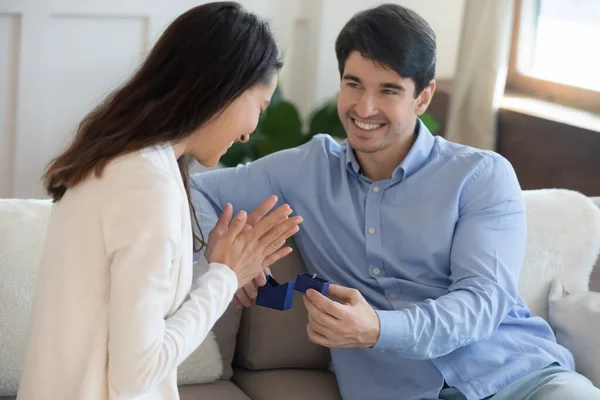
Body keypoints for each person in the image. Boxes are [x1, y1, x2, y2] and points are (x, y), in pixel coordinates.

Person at [190, 3, 600, 400]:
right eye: (353, 85)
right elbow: (196, 191)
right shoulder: (306, 169)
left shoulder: (481, 176)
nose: (364, 108)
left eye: (388, 90)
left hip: (523, 378)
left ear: (422, 98)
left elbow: (481, 303)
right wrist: (227, 257)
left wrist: (379, 329)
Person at [16, 3, 303, 400]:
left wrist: (211, 273)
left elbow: (122, 312)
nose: (249, 133)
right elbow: (138, 372)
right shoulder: (146, 185)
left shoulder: (124, 162)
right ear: (224, 88)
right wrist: (223, 280)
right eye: (260, 106)